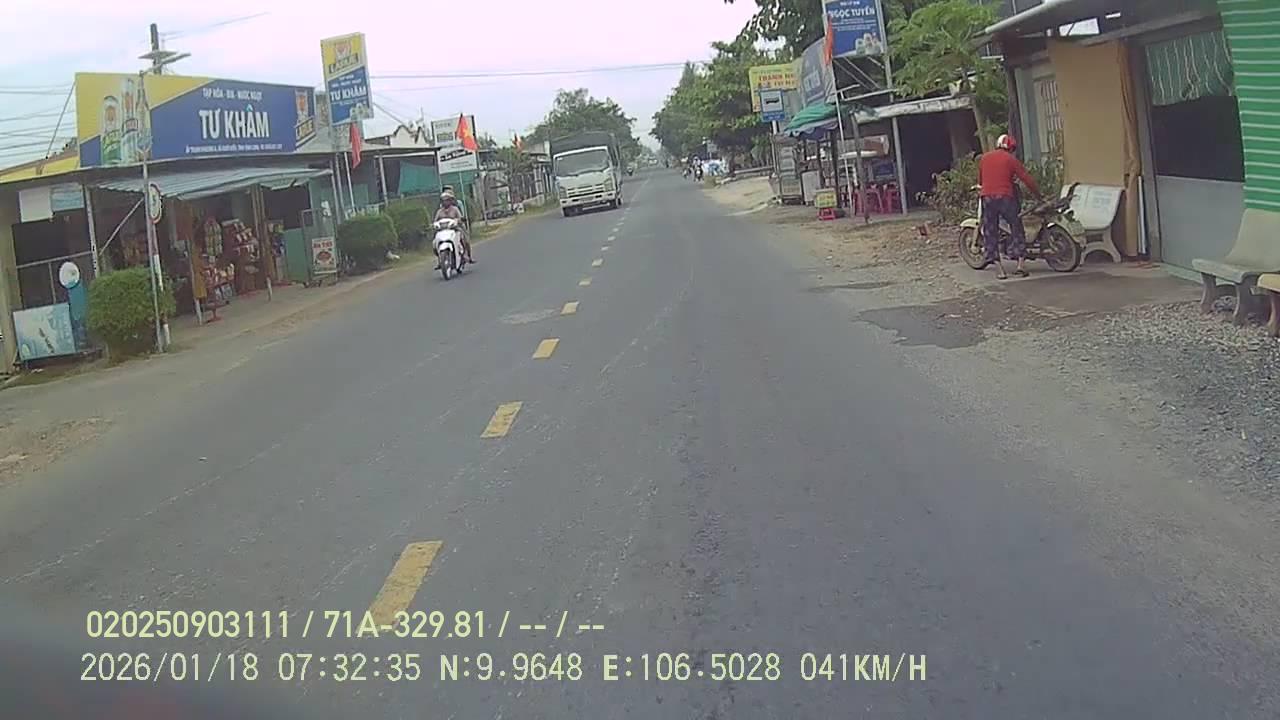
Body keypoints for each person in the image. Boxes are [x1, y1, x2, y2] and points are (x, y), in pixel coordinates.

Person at [977, 133, 1040, 279]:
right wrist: (1038, 195)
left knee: (990, 230)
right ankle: (1020, 264)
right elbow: (1026, 179)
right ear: (1011, 148)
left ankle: (999, 269)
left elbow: (980, 180)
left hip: (987, 198)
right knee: (1016, 226)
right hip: (1006, 197)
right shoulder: (1011, 159)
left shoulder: (985, 158)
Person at [433, 188, 473, 267]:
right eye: (443, 200)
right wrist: (434, 225)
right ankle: (440, 260)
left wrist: (459, 220)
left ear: (451, 201)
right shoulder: (439, 211)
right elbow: (435, 220)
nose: (445, 202)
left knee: (464, 239)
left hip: (455, 230)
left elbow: (460, 218)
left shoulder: (455, 209)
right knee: (434, 243)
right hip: (443, 231)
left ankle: (467, 256)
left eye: (447, 200)